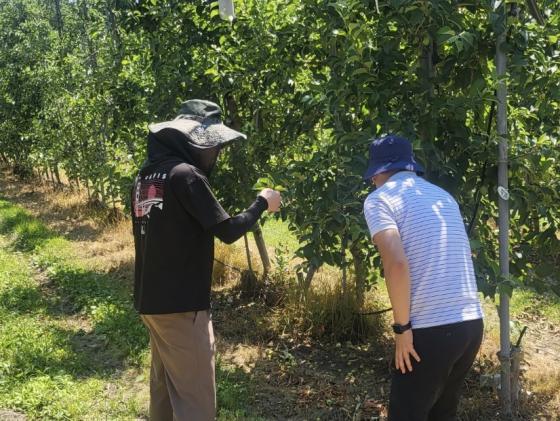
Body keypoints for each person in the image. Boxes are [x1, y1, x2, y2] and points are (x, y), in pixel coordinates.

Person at [131, 99, 281, 420]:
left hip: (151, 302)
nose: (215, 153)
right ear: (192, 141)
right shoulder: (185, 175)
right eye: (212, 146)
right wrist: (261, 203)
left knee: (165, 394)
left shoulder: (146, 175)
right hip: (183, 307)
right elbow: (227, 231)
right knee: (195, 402)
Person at [362, 134, 484, 421]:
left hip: (431, 331)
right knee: (442, 413)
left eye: (372, 176)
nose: (372, 182)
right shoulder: (443, 197)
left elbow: (396, 264)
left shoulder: (380, 200)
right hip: (471, 324)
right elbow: (464, 257)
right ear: (410, 166)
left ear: (378, 172)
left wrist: (402, 330)